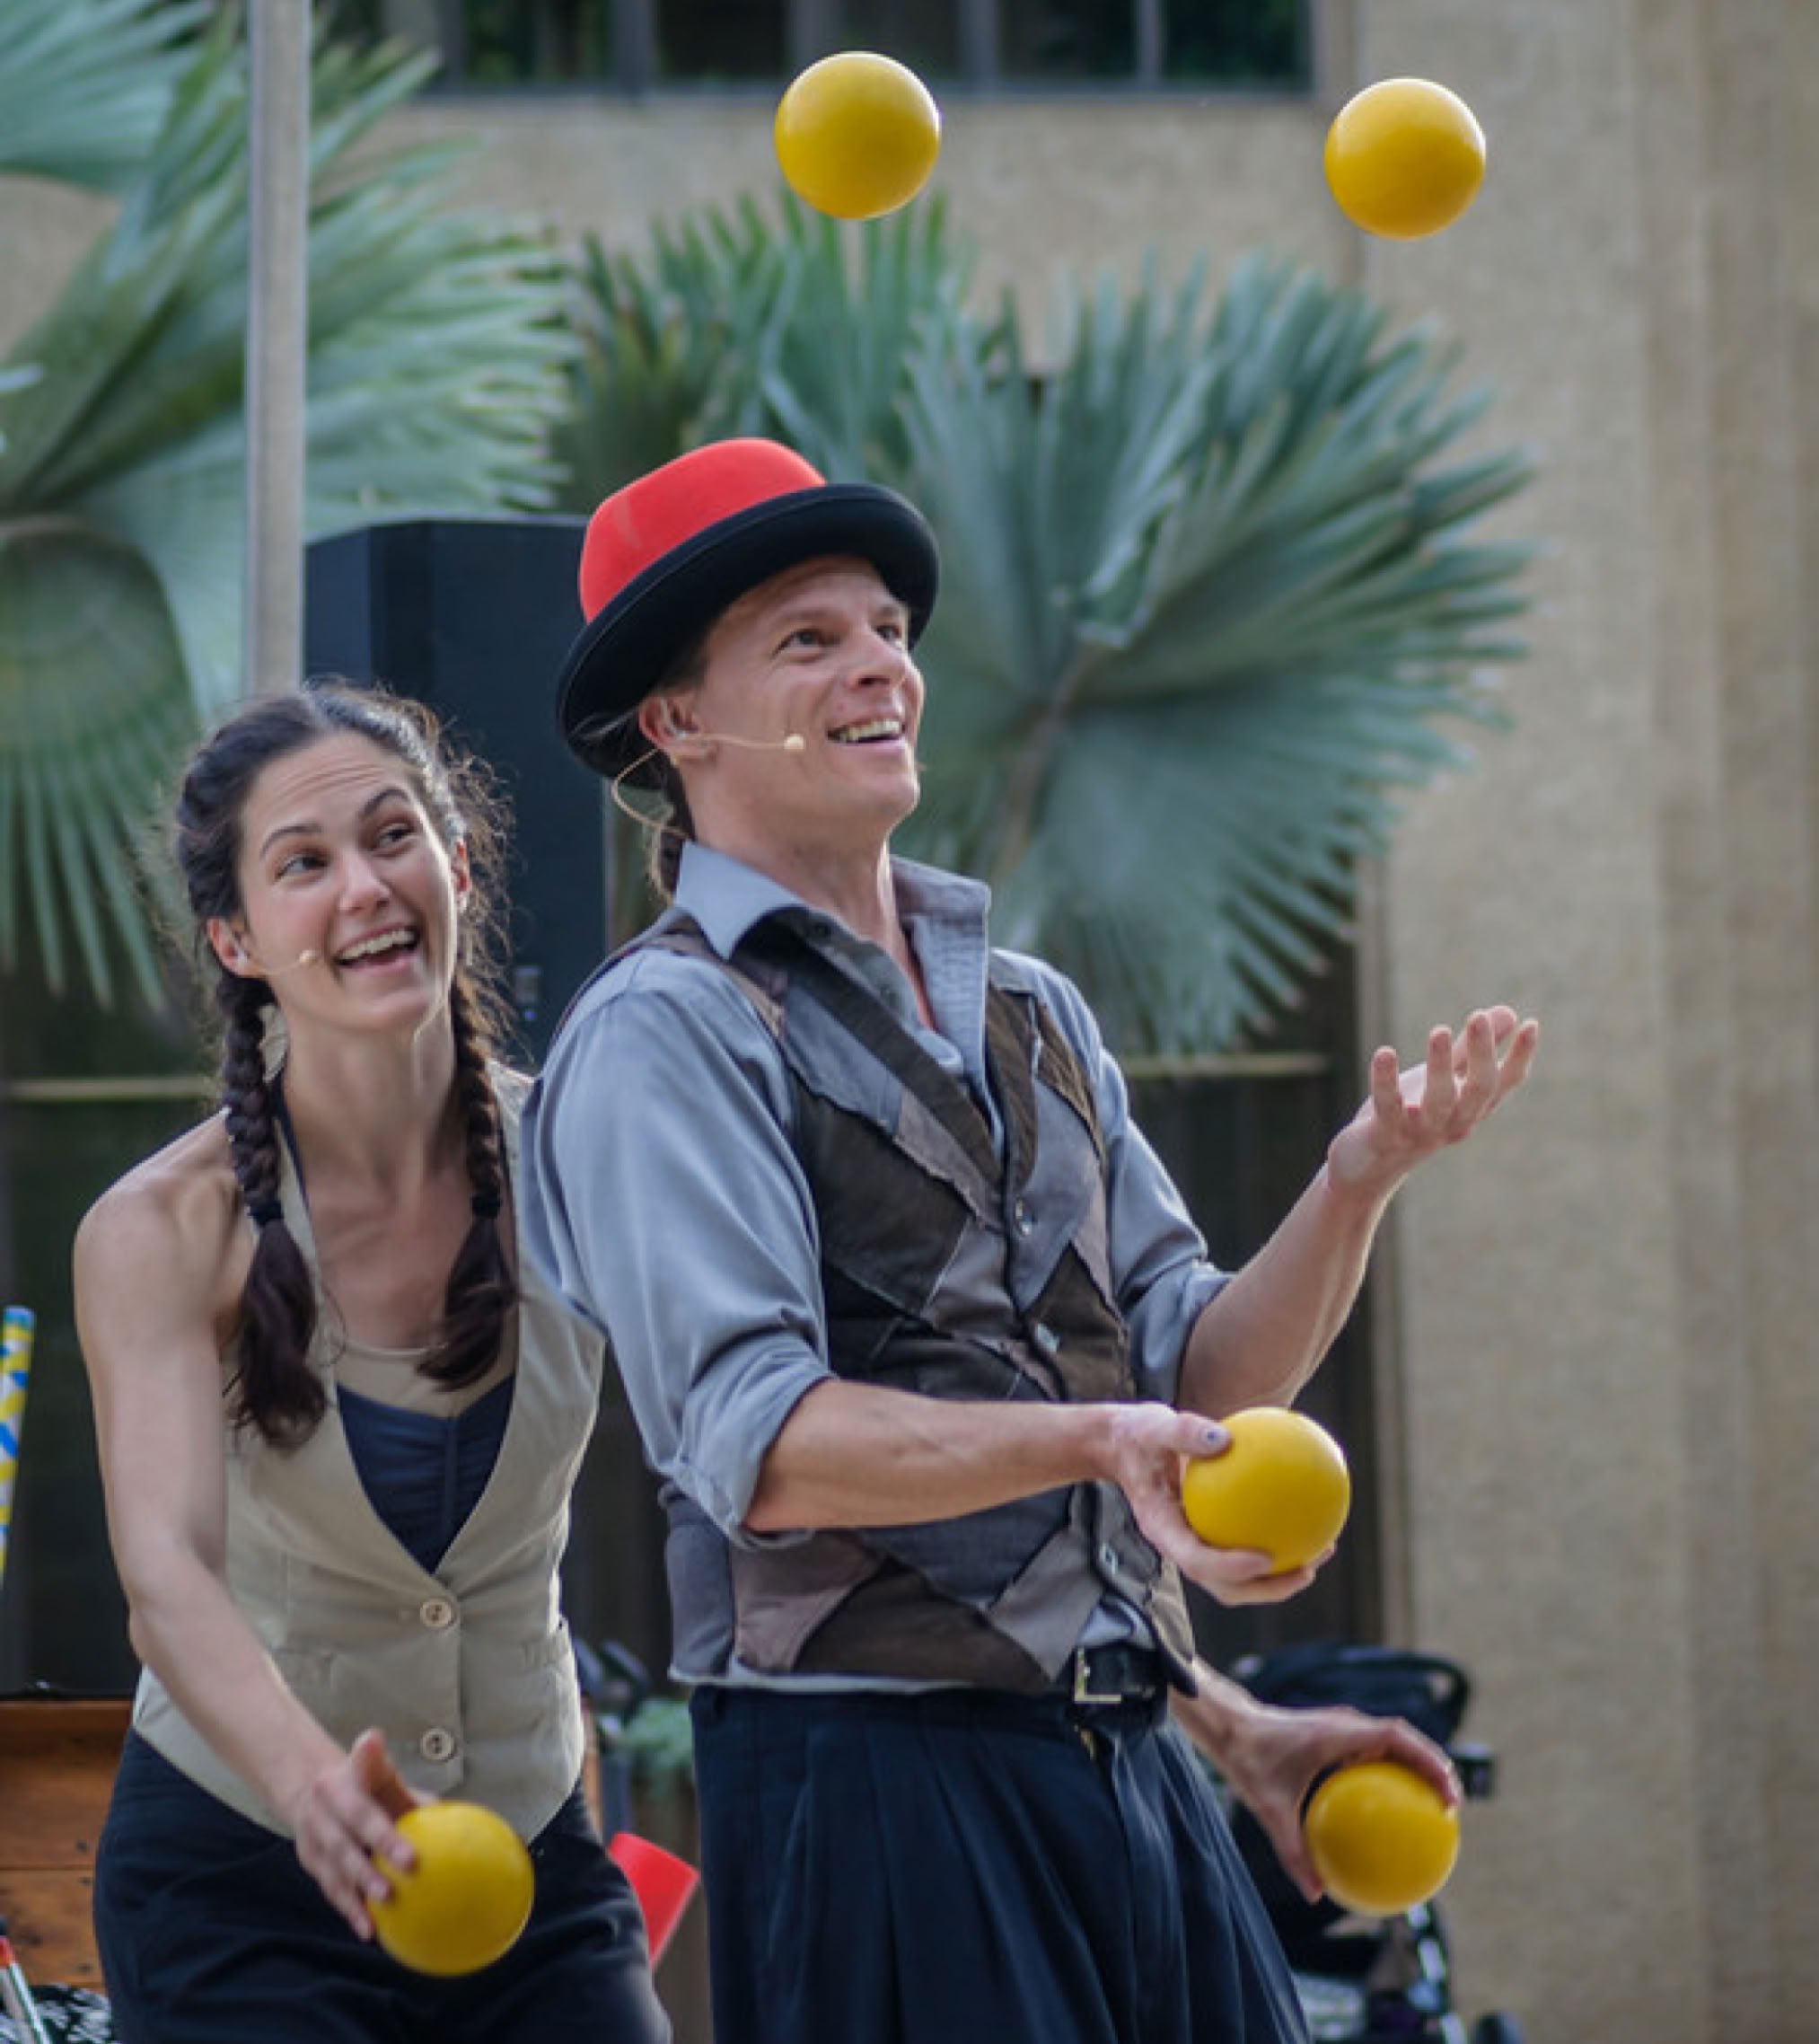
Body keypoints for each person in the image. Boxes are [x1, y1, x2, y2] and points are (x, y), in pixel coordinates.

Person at [520, 437, 1541, 2044]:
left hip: (1133, 1771)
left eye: (887, 631)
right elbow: (760, 1443)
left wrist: (1354, 1181)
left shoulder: (1029, 1008)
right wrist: (1102, 1441)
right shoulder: (665, 1032)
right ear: (677, 723)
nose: (879, 667)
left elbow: (1194, 1369)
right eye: (809, 639)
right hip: (866, 1789)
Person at [73, 683, 670, 2044]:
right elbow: (164, 1574)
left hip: (526, 1869)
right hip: (240, 1876)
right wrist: (309, 1789)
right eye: (304, 864)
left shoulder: (581, 1160)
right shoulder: (163, 1229)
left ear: (455, 864)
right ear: (235, 938)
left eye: (393, 836)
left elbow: (748, 1421)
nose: (365, 888)